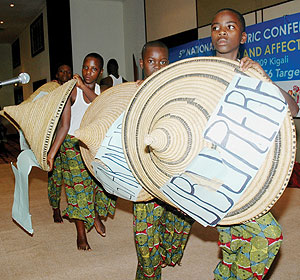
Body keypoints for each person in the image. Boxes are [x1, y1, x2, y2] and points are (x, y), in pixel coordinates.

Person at [210, 8, 298, 280]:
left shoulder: (252, 72)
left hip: (247, 169)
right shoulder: (199, 73)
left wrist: (264, 79)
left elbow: (292, 109)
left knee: (237, 241)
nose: (221, 31)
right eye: (215, 27)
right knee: (262, 237)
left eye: (230, 26)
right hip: (213, 170)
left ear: (244, 36)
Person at [133, 41, 194, 280]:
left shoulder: (178, 91)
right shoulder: (132, 93)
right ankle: (149, 272)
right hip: (145, 175)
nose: (157, 67)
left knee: (181, 221)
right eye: (151, 62)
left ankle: (166, 255)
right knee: (145, 235)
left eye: (163, 62)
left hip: (174, 172)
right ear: (141, 63)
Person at [47, 53, 116, 251]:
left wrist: (83, 86)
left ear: (100, 72)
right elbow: (64, 125)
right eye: (85, 67)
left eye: (94, 69)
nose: (88, 72)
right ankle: (81, 234)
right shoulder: (71, 91)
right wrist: (52, 153)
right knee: (76, 190)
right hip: (72, 145)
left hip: (92, 144)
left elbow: (99, 103)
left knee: (101, 186)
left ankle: (93, 212)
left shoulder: (102, 90)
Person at [48, 63, 73, 223]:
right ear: (57, 74)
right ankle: (55, 208)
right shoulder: (50, 91)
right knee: (55, 177)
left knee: (71, 177)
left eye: (68, 72)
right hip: (54, 138)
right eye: (62, 71)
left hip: (70, 139)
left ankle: (72, 209)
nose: (65, 74)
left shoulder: (74, 90)